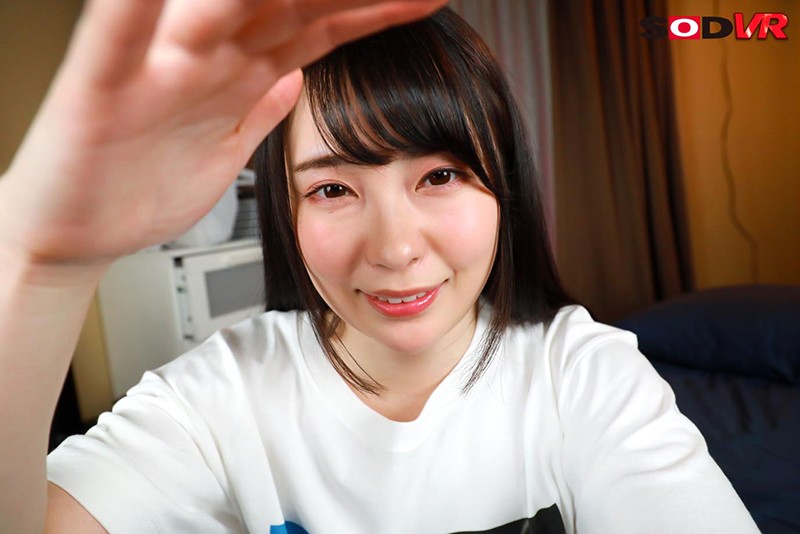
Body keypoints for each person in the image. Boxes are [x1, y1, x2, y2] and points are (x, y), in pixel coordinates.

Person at [0, 3, 758, 534]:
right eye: (333, 189)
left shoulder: (584, 375)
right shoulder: (218, 394)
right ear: (285, 211)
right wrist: (42, 263)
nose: (395, 250)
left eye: (441, 176)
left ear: (505, 189)